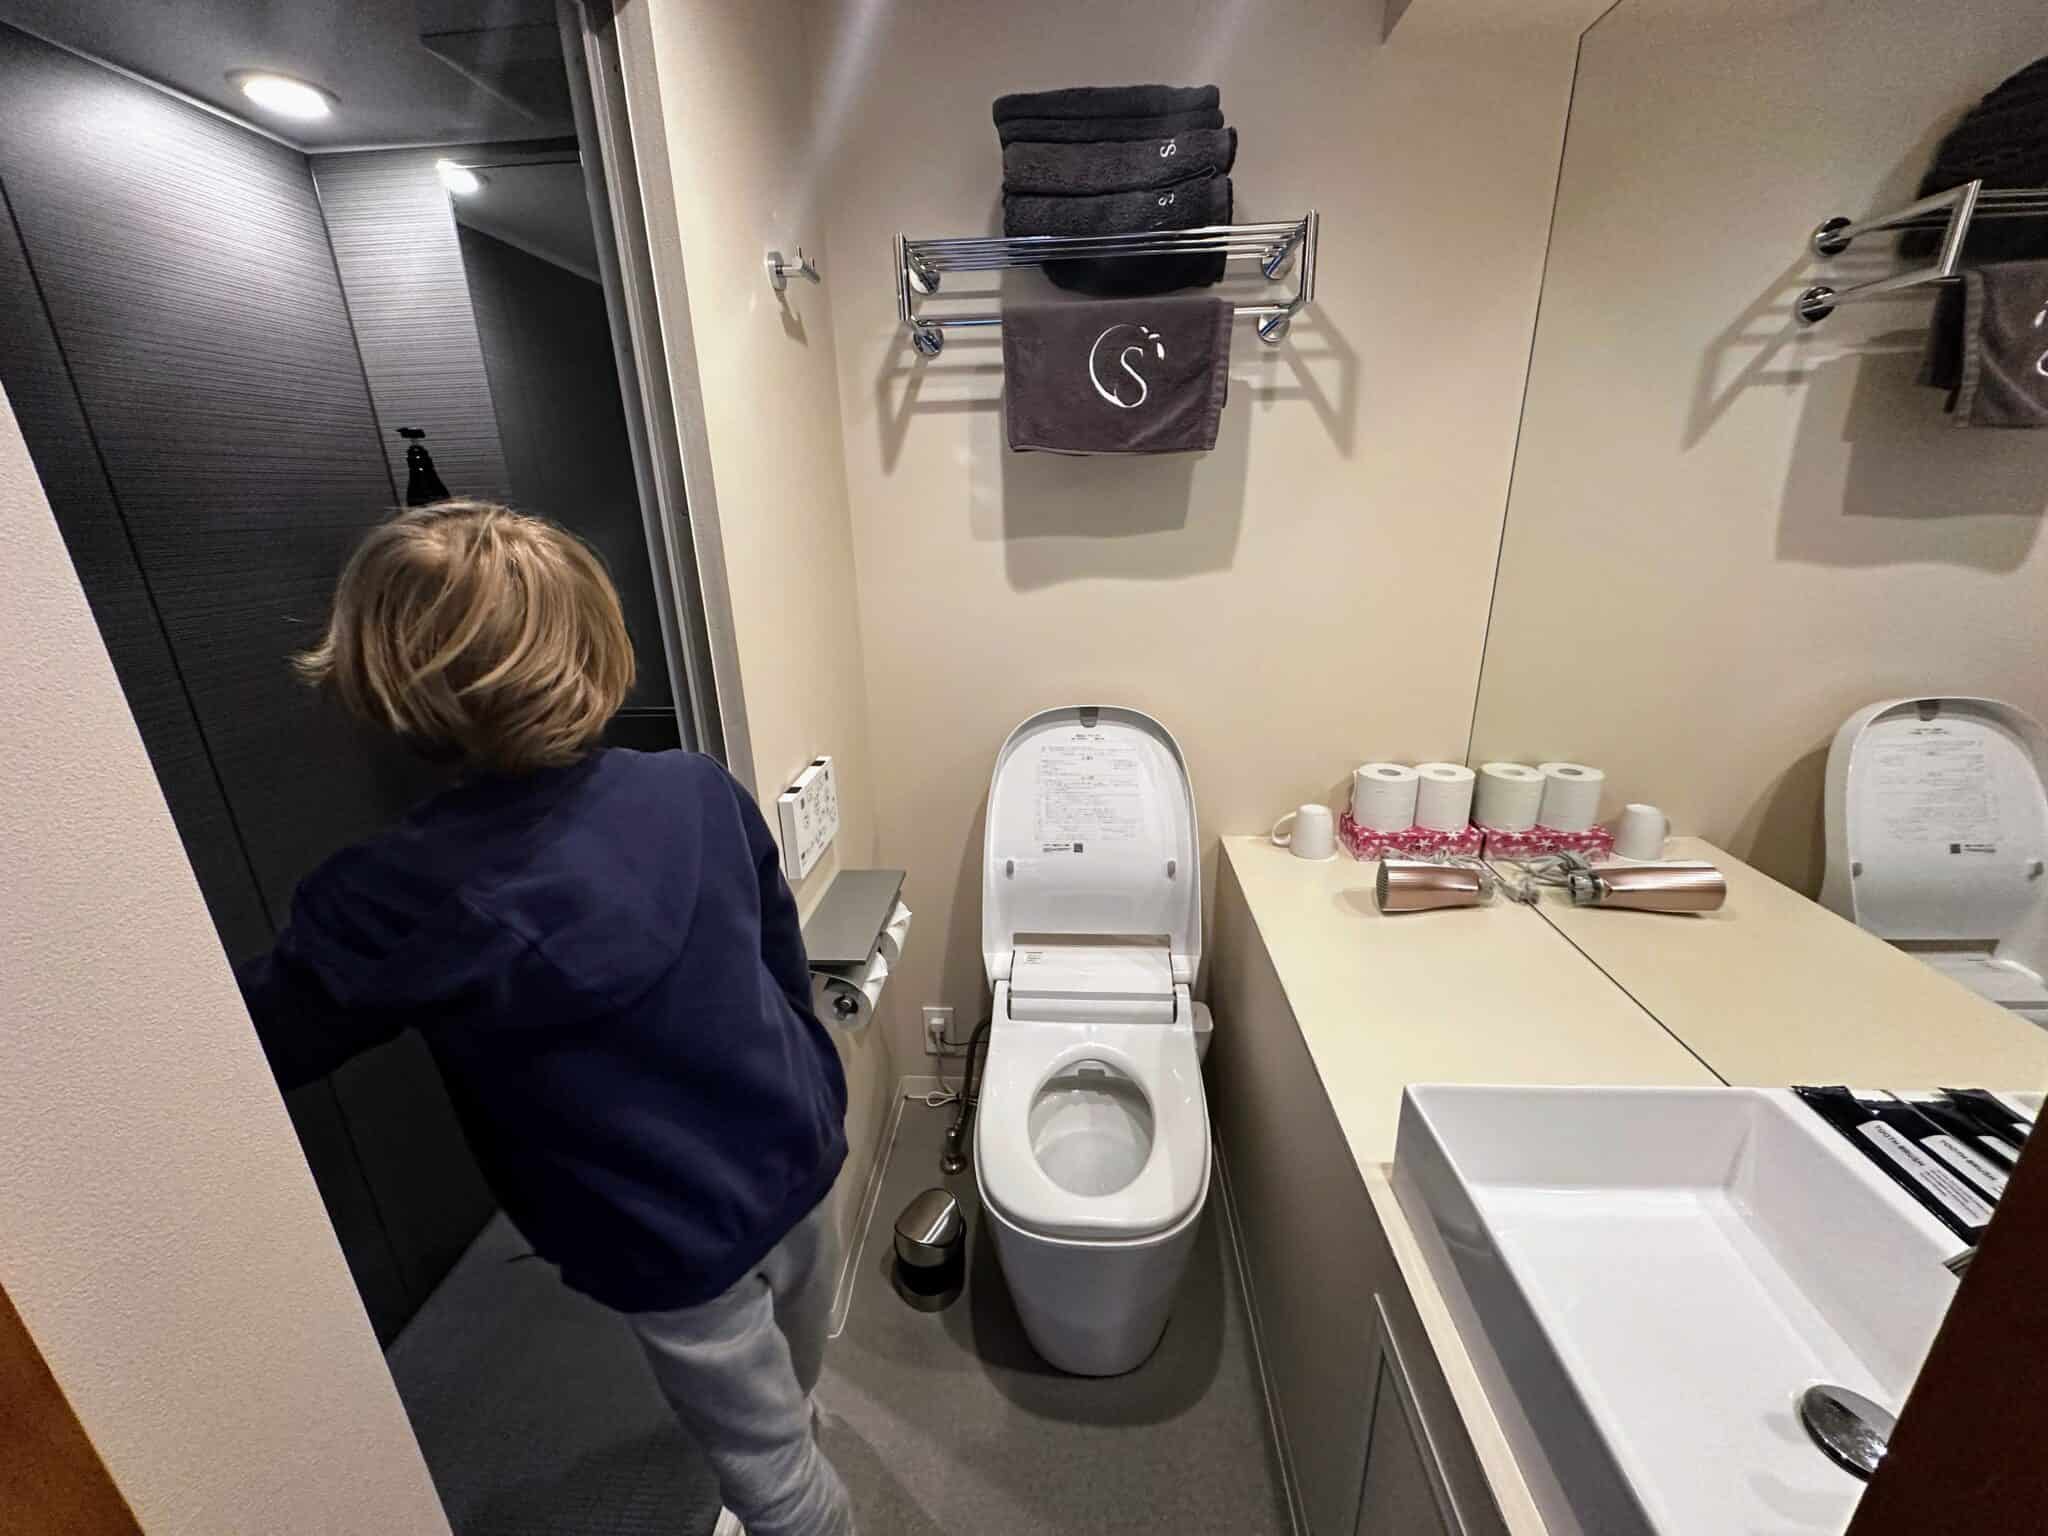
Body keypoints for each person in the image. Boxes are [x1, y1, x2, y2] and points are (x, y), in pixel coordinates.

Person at [237, 501, 854, 1536]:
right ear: (592, 639)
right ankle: (803, 1433)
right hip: (797, 1145)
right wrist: (816, 1084)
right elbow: (777, 952)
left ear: (390, 676)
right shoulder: (693, 789)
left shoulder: (391, 896)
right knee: (794, 1383)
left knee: (771, 1477)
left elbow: (243, 1048)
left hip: (665, 1234)